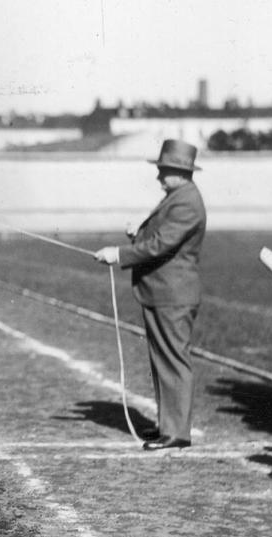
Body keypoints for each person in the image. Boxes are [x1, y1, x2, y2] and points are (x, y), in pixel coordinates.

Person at [94, 139, 207, 451]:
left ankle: (176, 433)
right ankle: (169, 427)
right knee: (164, 361)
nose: (159, 177)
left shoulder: (186, 201)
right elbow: (159, 238)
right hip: (163, 292)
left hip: (173, 293)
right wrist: (137, 235)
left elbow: (162, 245)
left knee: (172, 361)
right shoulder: (178, 196)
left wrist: (119, 253)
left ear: (179, 171)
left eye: (163, 171)